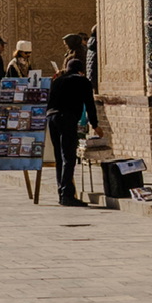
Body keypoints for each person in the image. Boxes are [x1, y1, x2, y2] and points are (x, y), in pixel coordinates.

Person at [47, 55, 98, 206]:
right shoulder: (83, 82)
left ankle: (61, 191)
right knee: (69, 157)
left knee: (59, 158)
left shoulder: (57, 81)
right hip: (66, 118)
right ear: (81, 71)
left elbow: (49, 101)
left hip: (51, 118)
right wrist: (95, 125)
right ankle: (67, 195)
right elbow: (90, 105)